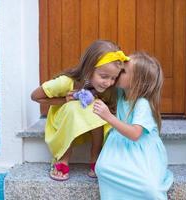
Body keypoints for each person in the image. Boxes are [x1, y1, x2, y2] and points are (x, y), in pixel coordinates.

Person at [31, 40, 130, 181]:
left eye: (113, 78)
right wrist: (63, 100)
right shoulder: (66, 82)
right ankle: (62, 158)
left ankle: (96, 156)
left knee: (99, 107)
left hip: (88, 121)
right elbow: (35, 96)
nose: (108, 83)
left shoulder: (109, 89)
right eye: (104, 77)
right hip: (63, 120)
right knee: (73, 107)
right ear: (89, 69)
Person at [93, 52, 173, 199]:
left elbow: (135, 134)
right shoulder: (119, 93)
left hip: (141, 149)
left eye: (123, 71)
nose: (118, 73)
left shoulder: (142, 103)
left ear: (137, 81)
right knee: (102, 168)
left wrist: (108, 117)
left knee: (149, 187)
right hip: (119, 145)